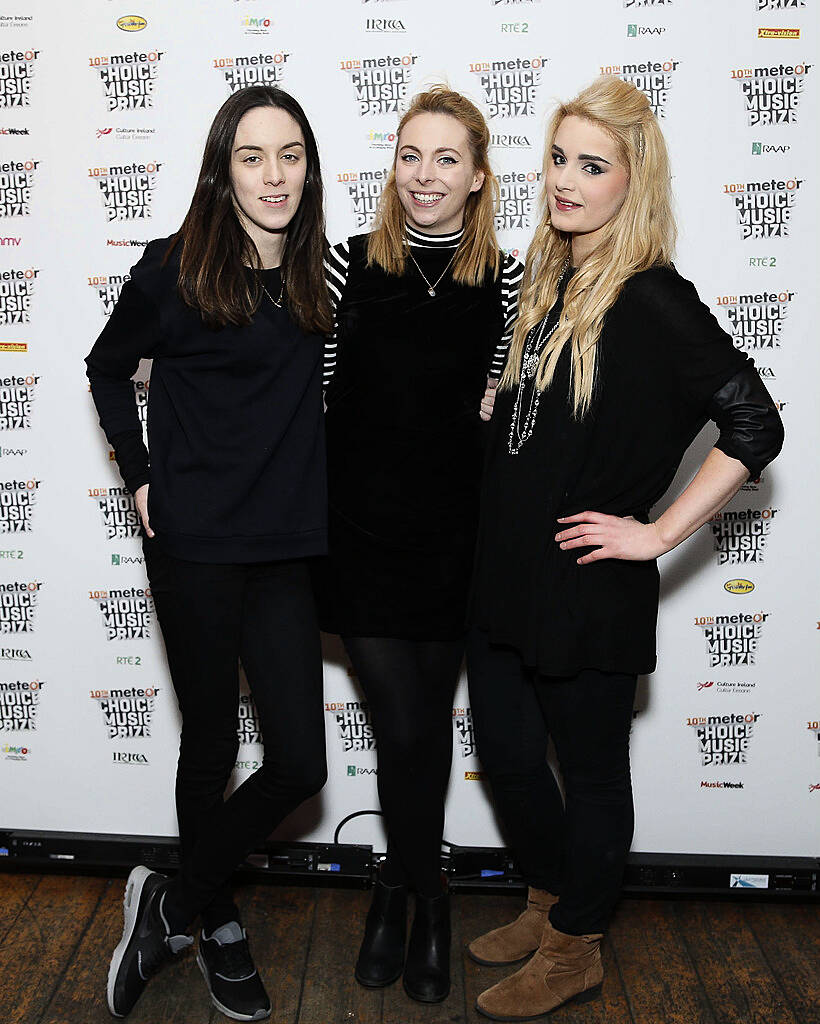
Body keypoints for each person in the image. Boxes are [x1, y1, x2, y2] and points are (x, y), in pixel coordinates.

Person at [465, 76, 784, 1021]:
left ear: (630, 180)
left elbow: (755, 427)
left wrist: (657, 534)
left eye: (590, 166)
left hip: (587, 583)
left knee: (592, 773)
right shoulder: (554, 274)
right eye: (559, 158)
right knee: (513, 762)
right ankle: (552, 899)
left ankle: (577, 948)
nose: (565, 181)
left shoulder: (654, 298)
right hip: (507, 574)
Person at [85, 85, 332, 1022]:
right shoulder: (174, 268)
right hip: (192, 542)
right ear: (221, 167)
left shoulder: (320, 281)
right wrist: (139, 474)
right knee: (213, 740)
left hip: (284, 544)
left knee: (299, 765)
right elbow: (108, 368)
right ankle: (217, 920)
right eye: (253, 156)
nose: (275, 176)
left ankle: (172, 899)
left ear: (310, 170)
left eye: (291, 156)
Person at [318, 86, 523, 1003]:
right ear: (393, 165)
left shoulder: (509, 281)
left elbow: (497, 406)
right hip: (356, 540)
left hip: (453, 545)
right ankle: (420, 888)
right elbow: (317, 400)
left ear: (478, 178)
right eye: (411, 155)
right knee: (399, 725)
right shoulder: (343, 265)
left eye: (446, 159)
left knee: (424, 732)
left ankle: (405, 895)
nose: (425, 176)